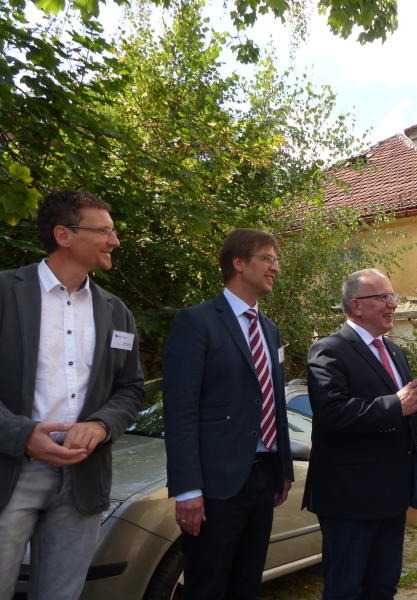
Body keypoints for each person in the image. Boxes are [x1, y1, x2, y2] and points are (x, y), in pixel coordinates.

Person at [0, 190, 144, 600]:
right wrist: (21, 434)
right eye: (105, 232)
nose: (114, 241)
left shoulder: (117, 312)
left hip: (82, 477)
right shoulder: (4, 294)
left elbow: (131, 389)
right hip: (10, 471)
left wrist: (100, 425)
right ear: (64, 234)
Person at [163, 228, 293, 600]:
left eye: (275, 259)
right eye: (267, 258)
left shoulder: (269, 329)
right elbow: (181, 409)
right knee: (207, 586)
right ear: (238, 263)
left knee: (245, 585)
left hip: (263, 479)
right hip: (216, 485)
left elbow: (273, 402)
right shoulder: (197, 321)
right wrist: (187, 488)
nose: (275, 268)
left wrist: (282, 468)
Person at [302, 268, 417, 600]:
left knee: (382, 587)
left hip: (391, 497)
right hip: (349, 499)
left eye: (393, 296)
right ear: (356, 305)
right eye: (382, 297)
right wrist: (395, 404)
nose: (392, 304)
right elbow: (332, 414)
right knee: (345, 590)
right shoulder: (328, 350)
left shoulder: (395, 353)